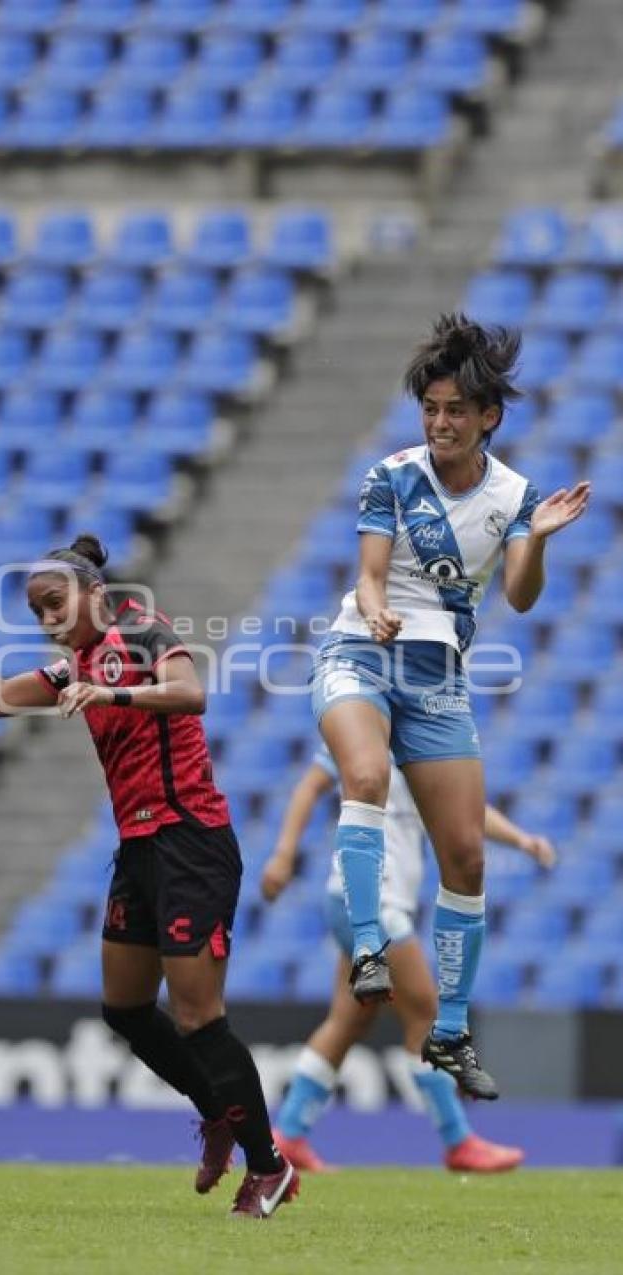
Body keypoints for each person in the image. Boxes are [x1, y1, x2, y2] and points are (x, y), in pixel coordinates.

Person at [0, 535, 298, 1220]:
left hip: (191, 841)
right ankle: (215, 1112)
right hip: (139, 848)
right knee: (122, 1008)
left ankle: (270, 1167)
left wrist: (111, 688)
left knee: (198, 1015)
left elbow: (190, 692)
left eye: (55, 601)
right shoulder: (72, 668)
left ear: (93, 592)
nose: (47, 618)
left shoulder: (142, 632)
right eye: (36, 611)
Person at [312, 312, 589, 1099]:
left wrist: (539, 539)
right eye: (430, 408)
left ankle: (452, 1031)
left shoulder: (514, 496)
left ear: (488, 416)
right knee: (363, 775)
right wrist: (373, 609)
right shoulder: (391, 475)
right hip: (360, 653)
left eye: (455, 410)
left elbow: (521, 598)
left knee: (466, 855)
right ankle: (370, 948)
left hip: (438, 679)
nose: (439, 422)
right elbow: (369, 575)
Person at [261, 744, 556, 1173]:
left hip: (371, 903)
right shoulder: (364, 728)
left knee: (349, 1020)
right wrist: (284, 854)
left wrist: (521, 840)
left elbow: (465, 814)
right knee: (427, 1014)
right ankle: (458, 1142)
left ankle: (287, 1135)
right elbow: (309, 787)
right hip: (366, 902)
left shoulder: (423, 743)